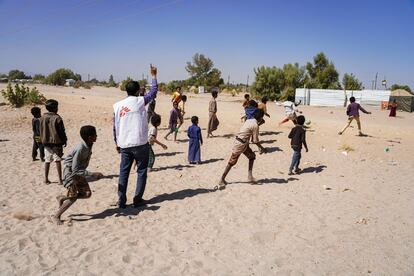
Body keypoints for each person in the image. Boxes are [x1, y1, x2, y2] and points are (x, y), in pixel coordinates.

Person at [113, 64, 158, 209]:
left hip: (124, 144)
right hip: (140, 143)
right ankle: (137, 200)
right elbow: (153, 91)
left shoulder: (117, 106)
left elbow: (115, 126)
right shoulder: (140, 101)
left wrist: (117, 143)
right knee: (141, 172)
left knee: (124, 173)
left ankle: (121, 200)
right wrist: (154, 76)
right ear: (138, 91)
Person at [51, 125, 103, 225]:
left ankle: (62, 198)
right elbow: (74, 169)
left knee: (87, 194)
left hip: (79, 172)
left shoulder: (89, 144)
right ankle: (56, 216)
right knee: (73, 198)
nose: (97, 136)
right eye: (95, 134)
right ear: (90, 137)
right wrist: (92, 174)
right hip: (70, 174)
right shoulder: (80, 148)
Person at [217, 109, 267, 190]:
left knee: (252, 156)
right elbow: (255, 141)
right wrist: (262, 148)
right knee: (232, 162)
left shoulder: (249, 120)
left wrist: (259, 124)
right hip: (240, 144)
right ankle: (221, 179)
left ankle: (250, 176)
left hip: (243, 143)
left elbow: (250, 129)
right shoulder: (255, 125)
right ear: (260, 117)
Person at [40, 99, 67, 185]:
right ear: (55, 108)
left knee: (47, 161)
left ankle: (46, 179)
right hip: (56, 143)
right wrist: (64, 140)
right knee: (57, 160)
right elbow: (61, 131)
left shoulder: (42, 117)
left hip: (46, 143)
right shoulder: (57, 118)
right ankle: (60, 180)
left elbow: (40, 129)